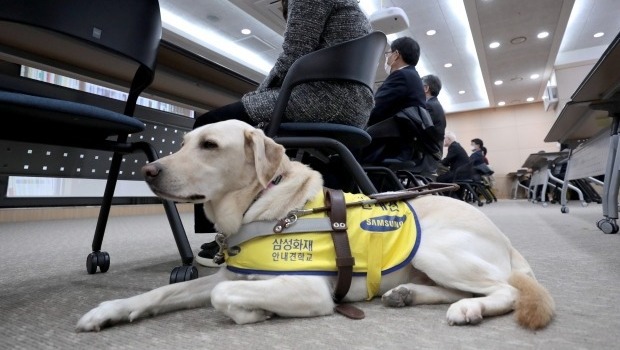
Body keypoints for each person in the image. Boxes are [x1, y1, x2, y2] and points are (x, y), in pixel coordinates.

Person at [194, 0, 373, 267]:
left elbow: (294, 55)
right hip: (354, 109)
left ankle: (221, 235)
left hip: (320, 98)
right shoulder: (354, 8)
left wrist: (258, 95)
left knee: (209, 124)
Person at [360, 36, 428, 165]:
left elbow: (375, 110)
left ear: (396, 55)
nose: (387, 57)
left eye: (388, 53)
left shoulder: (401, 76)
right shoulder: (414, 77)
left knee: (338, 150)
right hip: (403, 147)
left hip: (385, 147)